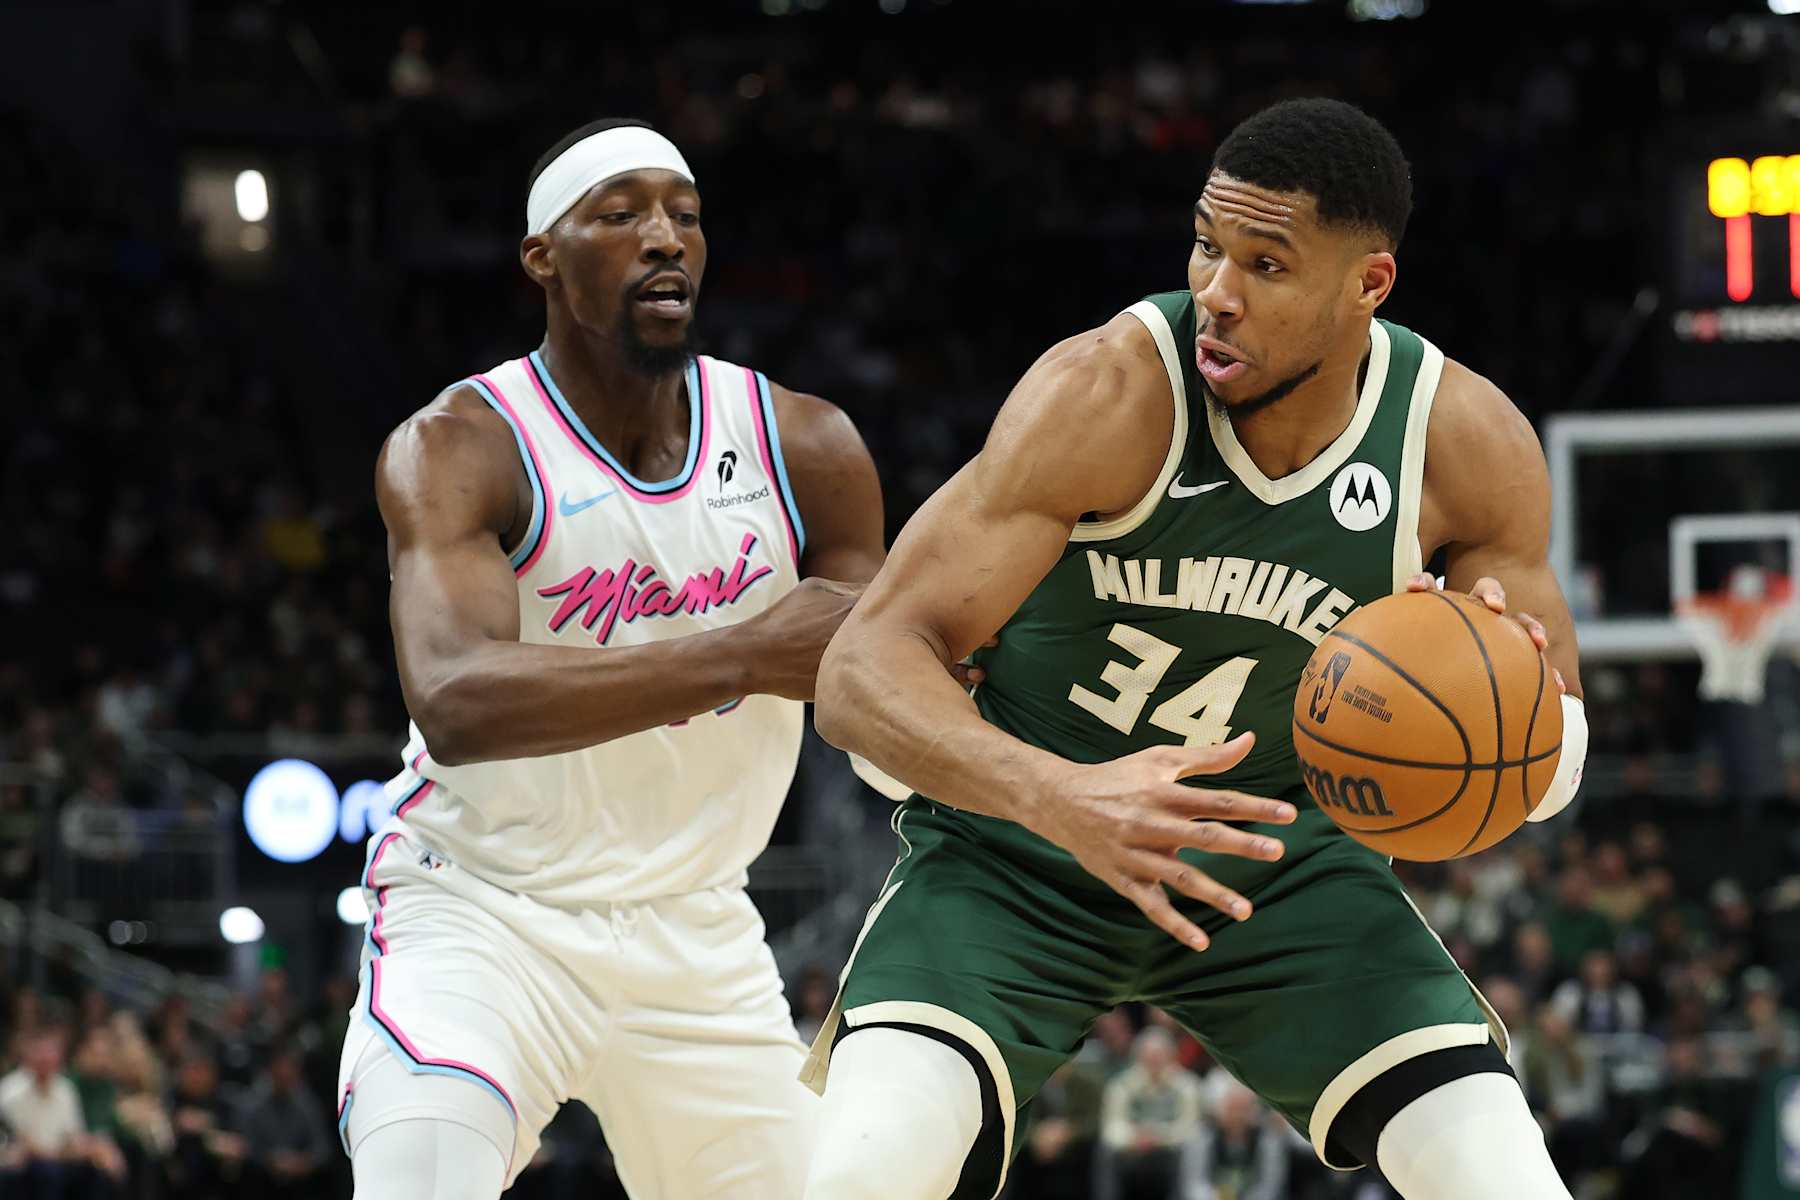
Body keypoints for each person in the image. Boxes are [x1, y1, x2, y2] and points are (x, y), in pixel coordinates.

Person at [806, 98, 1589, 1199]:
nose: (1217, 290)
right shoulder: (1107, 392)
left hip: (1286, 874)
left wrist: (1505, 686)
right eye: (1208, 244)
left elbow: (1549, 779)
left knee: (1505, 1179)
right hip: (1020, 859)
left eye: (1266, 265)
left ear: (1368, 286)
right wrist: (1063, 796)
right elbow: (858, 670)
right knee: (853, 1177)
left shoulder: (1465, 446)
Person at [335, 117, 899, 1200]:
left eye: (684, 217)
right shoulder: (462, 442)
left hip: (700, 926)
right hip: (486, 912)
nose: (664, 239)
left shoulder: (805, 445)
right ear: (543, 256)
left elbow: (876, 692)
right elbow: (457, 697)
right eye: (621, 214)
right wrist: (739, 653)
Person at [1096, 1027, 1204, 1200]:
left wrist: (1158, 1135)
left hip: (1170, 1153)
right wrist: (1135, 1137)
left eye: (1159, 1057)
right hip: (1132, 1153)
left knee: (1191, 1152)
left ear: (1171, 1057)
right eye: (1148, 1057)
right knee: (1105, 1152)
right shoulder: (1121, 1085)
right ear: (1137, 1058)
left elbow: (1191, 1128)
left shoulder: (1187, 1085)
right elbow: (1111, 1129)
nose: (1154, 1062)